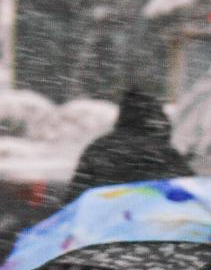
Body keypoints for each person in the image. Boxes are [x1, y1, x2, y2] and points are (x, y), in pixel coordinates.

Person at [65, 87, 194, 203]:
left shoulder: (98, 148)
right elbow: (191, 191)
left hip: (104, 224)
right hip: (154, 224)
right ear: (156, 118)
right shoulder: (163, 152)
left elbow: (74, 199)